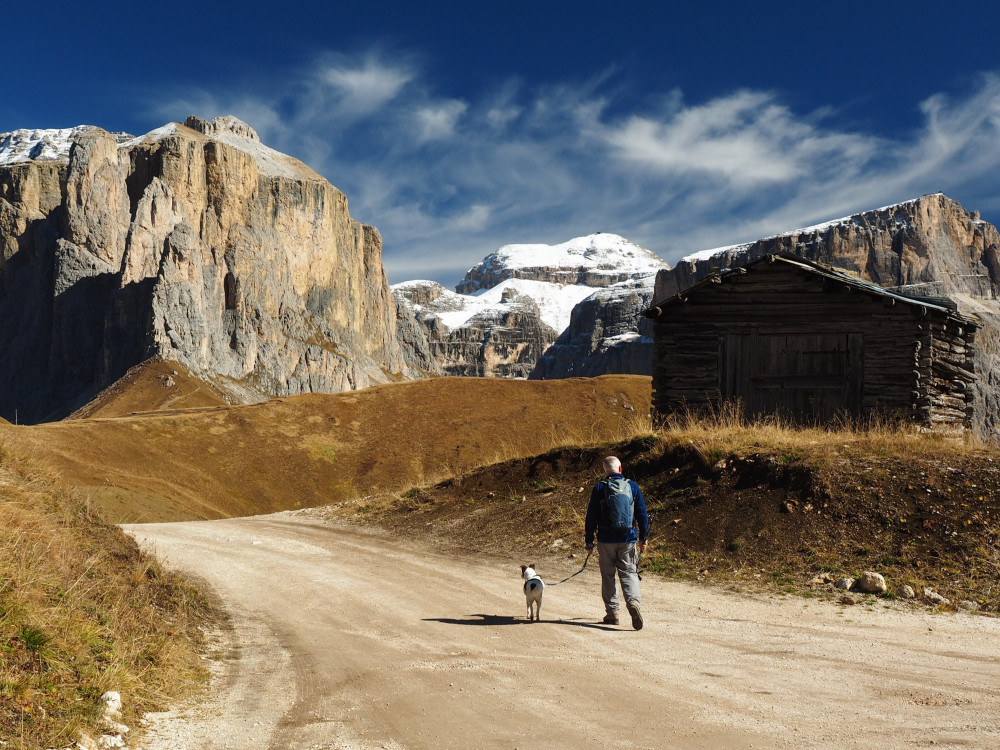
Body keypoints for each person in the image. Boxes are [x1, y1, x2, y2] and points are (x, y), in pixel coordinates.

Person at [584, 456, 649, 629]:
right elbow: (642, 514)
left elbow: (591, 517)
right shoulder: (632, 486)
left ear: (605, 471)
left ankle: (612, 613)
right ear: (620, 469)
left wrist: (589, 541)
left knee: (608, 576)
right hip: (628, 538)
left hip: (605, 539)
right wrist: (644, 537)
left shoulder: (599, 488)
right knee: (629, 573)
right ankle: (633, 603)